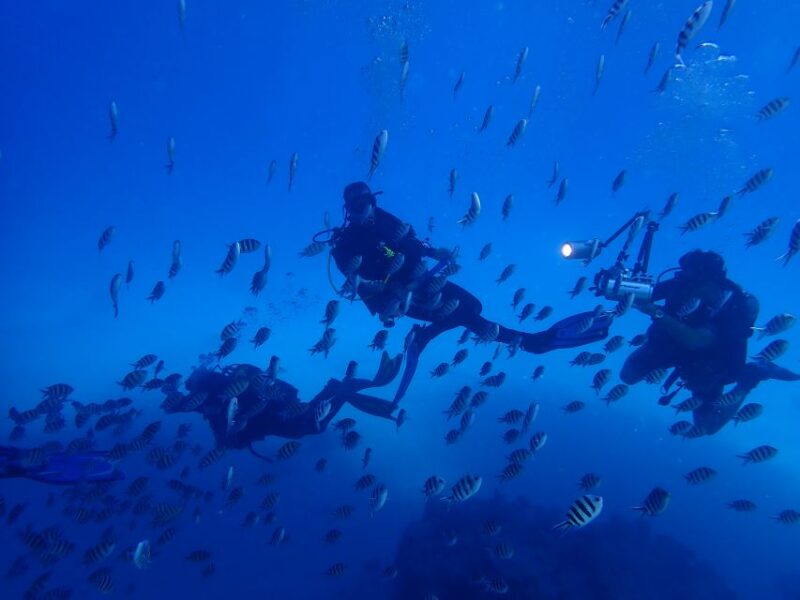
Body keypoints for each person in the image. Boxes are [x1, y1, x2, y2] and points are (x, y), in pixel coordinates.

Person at [324, 181, 613, 404]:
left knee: (471, 306)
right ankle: (527, 342)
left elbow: (410, 242)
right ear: (347, 210)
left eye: (367, 203)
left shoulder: (385, 219)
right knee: (466, 313)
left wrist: (434, 251)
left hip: (422, 281)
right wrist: (391, 293)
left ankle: (429, 337)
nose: (363, 210)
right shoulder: (344, 245)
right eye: (355, 206)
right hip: (393, 300)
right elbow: (359, 286)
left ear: (373, 201)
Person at [621, 249, 799, 435]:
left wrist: (656, 313)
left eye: (690, 279)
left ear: (709, 280)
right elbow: (643, 293)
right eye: (683, 276)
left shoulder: (735, 305)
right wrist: (620, 287)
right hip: (671, 344)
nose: (683, 283)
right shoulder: (681, 284)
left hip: (709, 361)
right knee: (628, 376)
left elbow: (697, 340)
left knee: (707, 426)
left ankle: (752, 376)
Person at [174, 351, 402, 457]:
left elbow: (223, 426)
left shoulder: (210, 395)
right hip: (269, 410)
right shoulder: (213, 393)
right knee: (311, 424)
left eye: (190, 387)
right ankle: (338, 389)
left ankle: (339, 389)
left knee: (308, 425)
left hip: (268, 411)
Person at [0, 445, 123, 485]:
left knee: (17, 464)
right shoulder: (103, 457)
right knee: (16, 457)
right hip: (53, 466)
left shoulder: (105, 463)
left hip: (51, 470)